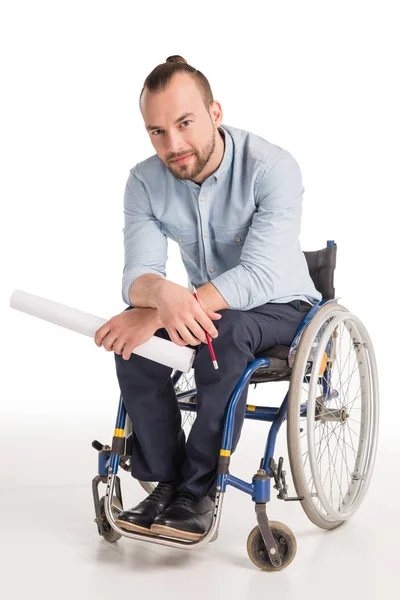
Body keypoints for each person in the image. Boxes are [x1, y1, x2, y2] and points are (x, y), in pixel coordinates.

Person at [94, 55, 322, 541]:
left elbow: (259, 275)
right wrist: (153, 303)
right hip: (208, 307)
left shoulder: (271, 167)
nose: (172, 145)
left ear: (215, 113)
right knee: (135, 343)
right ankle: (165, 481)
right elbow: (138, 275)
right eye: (157, 131)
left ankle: (197, 490)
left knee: (224, 332)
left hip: (283, 306)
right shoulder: (144, 182)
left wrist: (169, 306)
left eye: (184, 123)